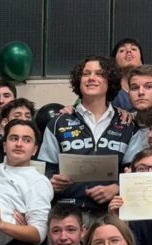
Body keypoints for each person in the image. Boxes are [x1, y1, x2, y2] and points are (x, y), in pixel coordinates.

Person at [38, 56, 145, 222]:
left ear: (110, 81)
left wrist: (117, 188)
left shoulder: (126, 124)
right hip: (66, 214)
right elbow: (44, 169)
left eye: (99, 74)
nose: (91, 78)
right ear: (78, 81)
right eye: (86, 73)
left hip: (111, 214)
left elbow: (136, 172)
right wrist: (52, 181)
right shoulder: (59, 122)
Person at [110, 38, 152, 111]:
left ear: (141, 60)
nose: (128, 51)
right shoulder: (108, 90)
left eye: (133, 49)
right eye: (122, 50)